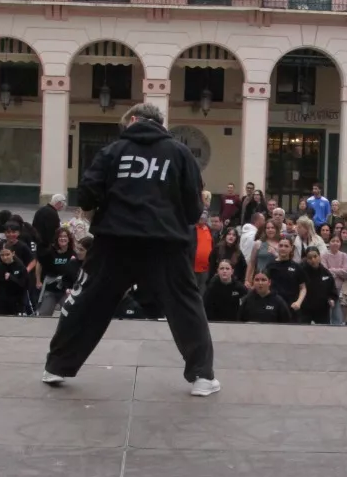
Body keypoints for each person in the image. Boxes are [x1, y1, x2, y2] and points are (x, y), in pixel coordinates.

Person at [43, 104, 217, 395]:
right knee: (185, 305)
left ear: (134, 120)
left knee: (87, 301)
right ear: (160, 122)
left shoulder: (113, 151)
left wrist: (103, 209)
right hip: (165, 241)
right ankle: (202, 376)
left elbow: (87, 193)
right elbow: (193, 204)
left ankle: (56, 366)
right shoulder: (180, 153)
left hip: (115, 239)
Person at [36, 227, 78, 317]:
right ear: (57, 239)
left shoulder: (73, 253)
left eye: (65, 236)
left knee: (71, 314)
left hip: (66, 289)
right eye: (60, 236)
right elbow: (39, 262)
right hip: (51, 288)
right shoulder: (50, 252)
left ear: (69, 239)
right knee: (43, 315)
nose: (63, 238)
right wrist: (38, 280)